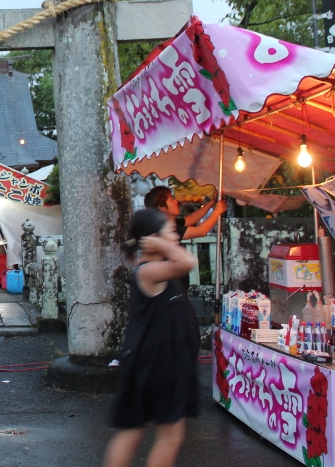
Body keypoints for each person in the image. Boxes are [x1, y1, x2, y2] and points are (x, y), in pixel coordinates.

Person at [103, 208, 200, 467]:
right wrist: (162, 244)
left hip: (157, 358)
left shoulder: (157, 267)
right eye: (170, 232)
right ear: (152, 238)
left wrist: (162, 242)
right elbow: (188, 262)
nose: (176, 237)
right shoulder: (147, 270)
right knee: (164, 433)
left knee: (135, 430)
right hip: (157, 361)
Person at [143, 185, 227, 241]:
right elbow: (201, 231)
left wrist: (212, 201)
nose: (176, 202)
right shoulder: (165, 229)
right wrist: (217, 211)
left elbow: (191, 219)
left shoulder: (166, 224)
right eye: (171, 200)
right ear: (162, 207)